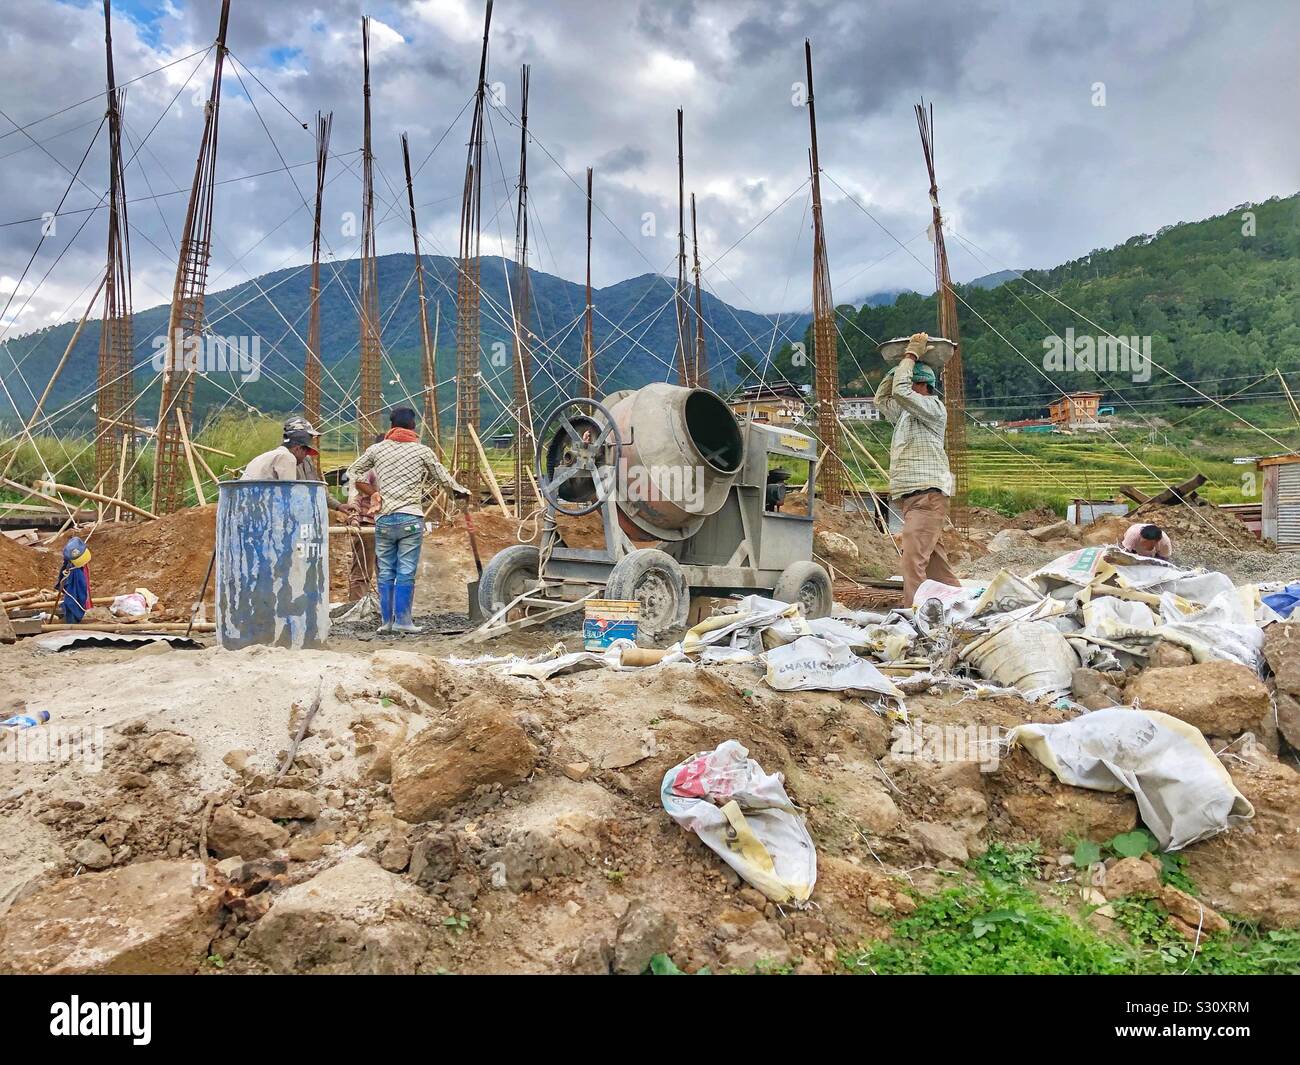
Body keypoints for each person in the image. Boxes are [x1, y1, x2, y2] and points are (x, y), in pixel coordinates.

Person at [347, 407, 470, 634]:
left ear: (391, 426)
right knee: (405, 571)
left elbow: (353, 472)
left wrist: (373, 492)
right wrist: (462, 494)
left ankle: (386, 623)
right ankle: (403, 620)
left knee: (386, 571)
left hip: (383, 519)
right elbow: (445, 480)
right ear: (413, 427)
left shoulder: (377, 450)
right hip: (410, 519)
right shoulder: (422, 451)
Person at [874, 331, 961, 605]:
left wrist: (911, 355)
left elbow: (900, 391)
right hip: (913, 500)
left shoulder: (932, 408)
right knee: (936, 567)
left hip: (927, 498)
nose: (907, 391)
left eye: (911, 384)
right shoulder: (906, 416)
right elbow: (882, 399)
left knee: (912, 561)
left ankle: (915, 616)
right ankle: (959, 602)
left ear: (921, 387)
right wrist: (898, 366)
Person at [241, 430, 317, 481]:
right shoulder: (287, 457)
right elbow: (288, 491)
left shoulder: (265, 456)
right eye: (305, 453)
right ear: (298, 448)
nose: (304, 458)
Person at [56, 537, 92, 624]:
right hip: (74, 582)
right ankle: (73, 620)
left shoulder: (76, 568)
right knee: (74, 599)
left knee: (77, 597)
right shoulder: (75, 572)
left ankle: (75, 618)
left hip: (75, 575)